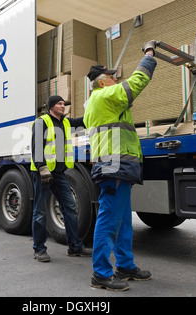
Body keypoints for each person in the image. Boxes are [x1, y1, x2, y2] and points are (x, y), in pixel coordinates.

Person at [83, 42, 158, 291]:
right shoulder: (104, 96)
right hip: (113, 166)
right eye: (113, 78)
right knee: (108, 220)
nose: (117, 81)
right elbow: (136, 83)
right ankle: (100, 274)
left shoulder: (101, 102)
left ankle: (125, 266)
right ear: (102, 82)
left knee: (123, 220)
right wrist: (148, 55)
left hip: (118, 166)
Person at [31, 95, 92, 262]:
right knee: (41, 211)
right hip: (42, 172)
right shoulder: (42, 122)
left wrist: (94, 104)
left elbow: (84, 121)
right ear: (51, 106)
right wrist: (42, 168)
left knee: (70, 207)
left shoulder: (65, 122)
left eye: (64, 103)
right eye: (59, 103)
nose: (62, 106)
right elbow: (36, 147)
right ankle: (39, 249)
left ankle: (75, 247)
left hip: (58, 173)